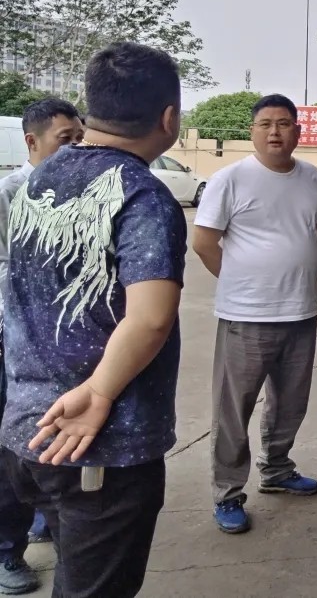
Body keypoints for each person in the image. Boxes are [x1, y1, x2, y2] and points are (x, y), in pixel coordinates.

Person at [0, 42, 188, 598]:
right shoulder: (142, 194)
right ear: (168, 118)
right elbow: (150, 318)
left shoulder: (36, 180)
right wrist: (101, 392)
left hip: (27, 430)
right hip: (100, 445)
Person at [193, 94, 317, 535]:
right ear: (252, 131)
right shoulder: (230, 179)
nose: (275, 131)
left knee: (290, 403)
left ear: (298, 130)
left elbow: (314, 228)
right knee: (233, 411)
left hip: (300, 312)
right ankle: (228, 494)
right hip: (246, 316)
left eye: (284, 123)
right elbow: (203, 242)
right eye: (265, 124)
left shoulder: (311, 177)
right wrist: (242, 281)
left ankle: (277, 470)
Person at [0, 99, 82, 595]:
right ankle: (7, 551)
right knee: (12, 449)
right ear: (32, 142)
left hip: (64, 345)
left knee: (55, 437)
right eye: (64, 140)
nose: (75, 149)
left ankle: (47, 521)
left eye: (79, 138)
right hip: (15, 343)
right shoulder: (11, 193)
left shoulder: (82, 191)